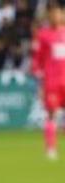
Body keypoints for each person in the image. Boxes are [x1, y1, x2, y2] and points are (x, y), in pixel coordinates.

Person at [32, 4, 65, 160]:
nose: (55, 17)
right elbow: (37, 61)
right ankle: (51, 149)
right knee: (51, 115)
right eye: (52, 15)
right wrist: (40, 83)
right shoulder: (43, 35)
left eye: (58, 14)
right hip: (52, 82)